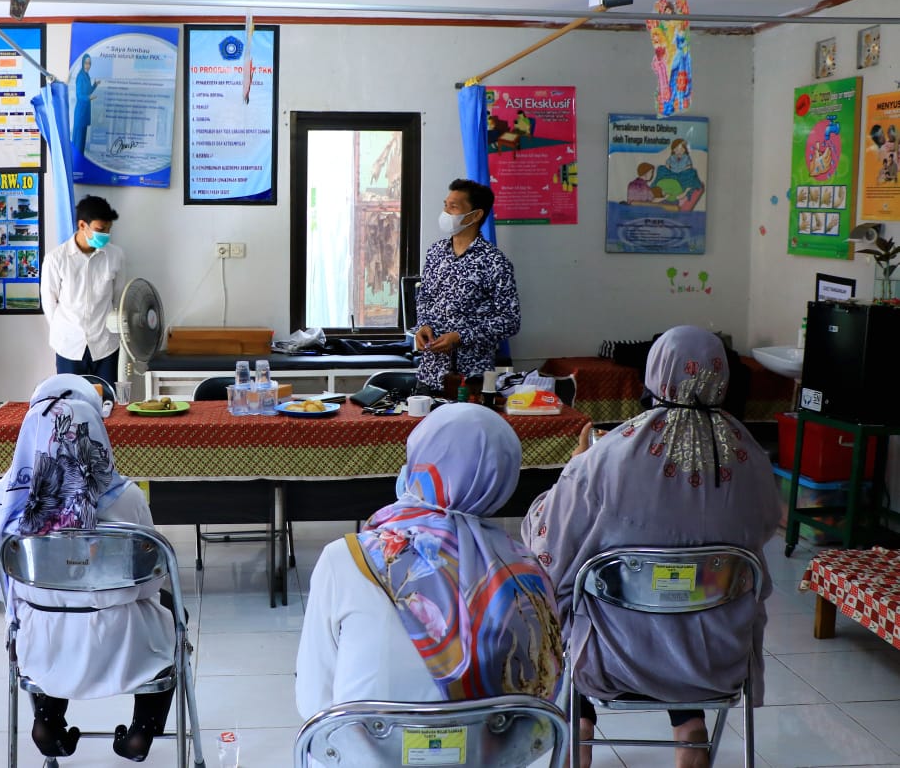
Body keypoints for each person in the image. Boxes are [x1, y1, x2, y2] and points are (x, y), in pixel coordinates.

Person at [521, 326, 780, 768]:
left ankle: (578, 726)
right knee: (687, 597)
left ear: (655, 373)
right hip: (712, 660)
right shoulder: (751, 459)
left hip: (611, 660)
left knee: (564, 593)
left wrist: (572, 470)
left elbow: (550, 547)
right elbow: (762, 534)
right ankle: (689, 727)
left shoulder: (607, 458)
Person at [296, 403, 563, 724]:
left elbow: (313, 702)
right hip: (489, 758)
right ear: (502, 481)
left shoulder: (345, 559)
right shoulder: (527, 572)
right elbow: (539, 701)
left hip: (367, 754)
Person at [0, 374, 176, 762]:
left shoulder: (5, 500)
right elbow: (151, 580)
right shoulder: (126, 497)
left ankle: (48, 720)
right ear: (94, 430)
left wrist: (53, 589)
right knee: (171, 610)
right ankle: (141, 733)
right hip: (125, 646)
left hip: (41, 649)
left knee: (45, 617)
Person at [413, 179, 520, 394]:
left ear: (476, 215)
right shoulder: (435, 253)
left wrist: (461, 336)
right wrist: (422, 326)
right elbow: (424, 298)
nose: (446, 212)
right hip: (429, 374)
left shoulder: (494, 261)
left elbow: (510, 320)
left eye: (454, 207)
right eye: (445, 205)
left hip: (471, 378)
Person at [40, 195, 125, 387]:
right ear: (82, 225)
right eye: (100, 230)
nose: (106, 235)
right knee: (70, 405)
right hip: (68, 346)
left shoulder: (116, 256)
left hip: (106, 344)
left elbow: (119, 297)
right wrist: (64, 331)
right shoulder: (56, 259)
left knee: (109, 404)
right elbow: (49, 301)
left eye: (109, 230)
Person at [71, 53, 101, 152]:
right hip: (80, 113)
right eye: (86, 63)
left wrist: (95, 85)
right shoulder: (80, 77)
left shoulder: (87, 76)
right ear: (83, 63)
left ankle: (80, 161)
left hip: (85, 112)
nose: (88, 65)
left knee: (82, 142)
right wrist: (88, 98)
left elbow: (88, 92)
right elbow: (79, 96)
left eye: (89, 63)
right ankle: (76, 163)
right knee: (78, 142)